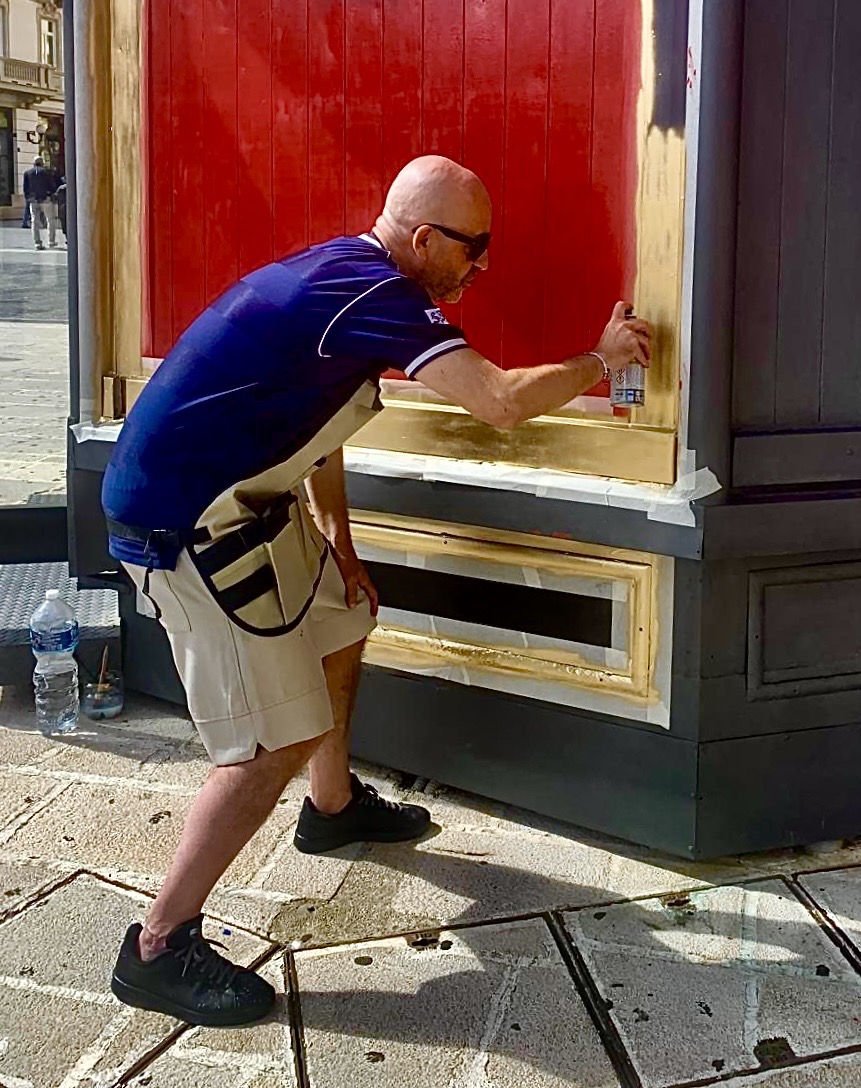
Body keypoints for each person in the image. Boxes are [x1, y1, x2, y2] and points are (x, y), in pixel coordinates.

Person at [102, 155, 651, 1027]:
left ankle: (331, 808)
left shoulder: (348, 279)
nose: (480, 266)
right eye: (472, 248)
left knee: (346, 614)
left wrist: (340, 541)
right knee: (266, 745)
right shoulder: (373, 292)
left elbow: (315, 422)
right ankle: (157, 947)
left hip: (253, 502)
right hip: (188, 525)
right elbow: (498, 402)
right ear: (424, 237)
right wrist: (600, 357)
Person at [22, 156, 57, 250]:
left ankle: (37, 243)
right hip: (46, 199)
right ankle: (51, 241)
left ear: (33, 163)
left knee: (34, 221)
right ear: (42, 163)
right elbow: (52, 185)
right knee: (50, 220)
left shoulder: (27, 173)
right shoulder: (47, 172)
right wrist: (51, 194)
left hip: (33, 200)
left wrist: (29, 198)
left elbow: (25, 188)